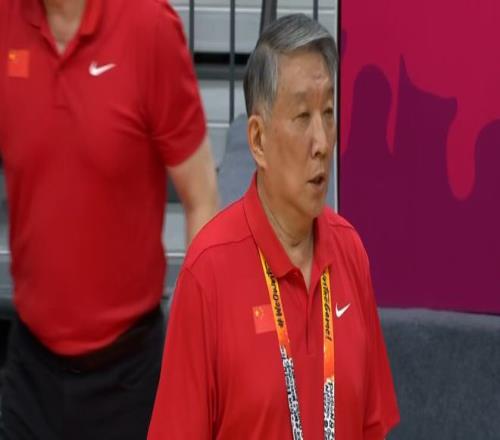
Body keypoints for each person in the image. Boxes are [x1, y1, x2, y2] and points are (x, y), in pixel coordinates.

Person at [148, 14, 399, 440]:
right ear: (258, 140)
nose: (322, 142)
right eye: (302, 116)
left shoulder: (350, 251)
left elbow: (373, 426)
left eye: (328, 113)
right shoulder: (208, 272)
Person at [0, 0, 219, 438]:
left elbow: (202, 199)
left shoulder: (148, 27)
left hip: (128, 380)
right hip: (29, 371)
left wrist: (190, 344)